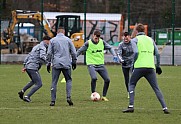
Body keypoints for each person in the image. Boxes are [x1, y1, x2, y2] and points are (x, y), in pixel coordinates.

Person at [122, 23, 170, 114]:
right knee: (156, 88)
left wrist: (133, 64)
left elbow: (136, 52)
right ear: (144, 30)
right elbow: (157, 53)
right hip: (150, 67)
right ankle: (165, 108)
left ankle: (131, 106)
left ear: (136, 31)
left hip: (139, 67)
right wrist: (158, 66)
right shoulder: (150, 39)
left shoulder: (134, 40)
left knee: (131, 84)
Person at [77, 30, 119, 101]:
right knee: (94, 78)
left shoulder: (102, 42)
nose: (97, 40)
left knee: (107, 80)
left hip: (100, 65)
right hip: (91, 64)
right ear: (93, 36)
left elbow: (110, 47)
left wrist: (114, 55)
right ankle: (93, 93)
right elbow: (79, 51)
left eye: (98, 39)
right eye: (96, 38)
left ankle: (104, 96)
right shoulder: (88, 43)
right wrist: (73, 58)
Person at [46, 27, 77, 106]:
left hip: (56, 63)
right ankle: (68, 97)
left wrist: (48, 63)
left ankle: (53, 101)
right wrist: (74, 61)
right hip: (66, 63)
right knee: (68, 80)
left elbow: (49, 53)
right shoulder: (68, 40)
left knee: (54, 82)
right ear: (64, 32)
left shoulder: (52, 40)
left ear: (57, 32)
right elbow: (73, 52)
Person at [18, 35, 51, 102]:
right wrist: (48, 62)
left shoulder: (36, 46)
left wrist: (25, 65)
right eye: (50, 41)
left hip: (28, 66)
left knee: (33, 81)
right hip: (33, 67)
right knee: (39, 84)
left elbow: (29, 55)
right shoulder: (43, 47)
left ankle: (22, 91)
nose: (50, 43)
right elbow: (42, 56)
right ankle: (27, 96)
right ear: (47, 41)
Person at [117, 32, 135, 98]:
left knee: (132, 78)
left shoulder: (133, 44)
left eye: (127, 37)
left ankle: (132, 91)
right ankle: (128, 91)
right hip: (124, 64)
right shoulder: (121, 45)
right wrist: (122, 61)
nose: (125, 38)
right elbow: (119, 53)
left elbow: (137, 52)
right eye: (124, 37)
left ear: (130, 37)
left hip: (132, 63)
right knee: (126, 79)